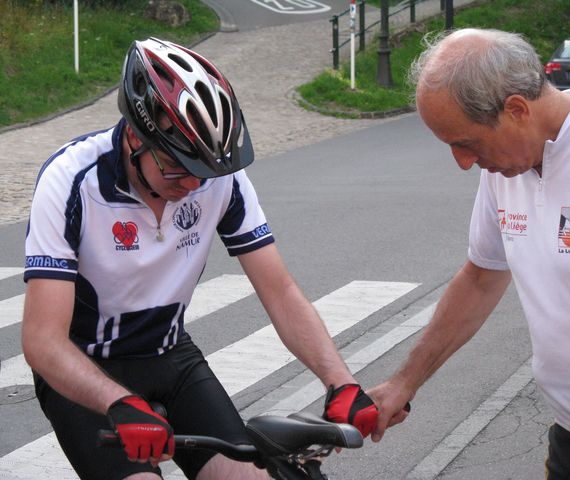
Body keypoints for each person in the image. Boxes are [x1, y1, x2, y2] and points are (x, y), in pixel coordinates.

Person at [21, 37, 378, 480]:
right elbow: (42, 341)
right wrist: (118, 402)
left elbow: (281, 292)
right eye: (176, 167)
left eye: (204, 172)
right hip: (86, 366)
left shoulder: (217, 177)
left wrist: (340, 381)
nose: (193, 185)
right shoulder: (72, 180)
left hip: (171, 356)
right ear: (135, 134)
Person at [366, 28, 570, 479]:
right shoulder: (506, 167)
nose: (461, 162)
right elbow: (480, 278)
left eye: (465, 143)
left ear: (516, 109)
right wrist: (403, 383)